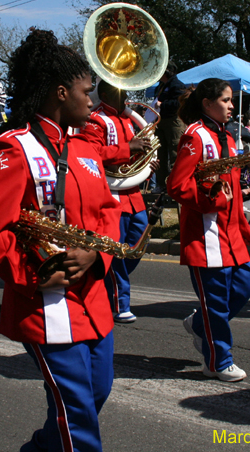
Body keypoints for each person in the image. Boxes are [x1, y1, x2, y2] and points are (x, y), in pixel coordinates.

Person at [0, 29, 121, 452]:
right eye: (86, 91)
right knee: (77, 419)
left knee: (95, 396)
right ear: (60, 92)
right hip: (48, 305)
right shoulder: (13, 149)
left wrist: (95, 252)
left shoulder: (86, 149)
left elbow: (109, 214)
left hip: (93, 300)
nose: (92, 100)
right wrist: (34, 272)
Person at [167, 78, 250, 382]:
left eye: (232, 101)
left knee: (245, 288)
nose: (232, 106)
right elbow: (177, 185)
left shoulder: (228, 138)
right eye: (226, 100)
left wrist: (243, 224)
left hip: (231, 234)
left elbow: (234, 188)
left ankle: (199, 324)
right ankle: (218, 361)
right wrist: (212, 201)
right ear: (207, 104)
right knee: (216, 304)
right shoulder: (195, 136)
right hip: (206, 236)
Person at [82, 80, 154, 323]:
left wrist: (146, 163)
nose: (126, 95)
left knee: (135, 247)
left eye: (126, 90)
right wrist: (129, 146)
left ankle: (104, 281)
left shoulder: (127, 120)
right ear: (104, 94)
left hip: (133, 195)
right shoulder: (95, 120)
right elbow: (90, 155)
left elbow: (133, 159)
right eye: (119, 91)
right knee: (116, 251)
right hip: (111, 194)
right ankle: (119, 303)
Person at [153, 61, 187, 192]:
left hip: (173, 121)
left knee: (175, 152)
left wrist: (163, 104)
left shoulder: (177, 85)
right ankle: (161, 184)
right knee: (159, 152)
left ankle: (176, 184)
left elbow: (179, 103)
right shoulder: (161, 86)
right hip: (161, 121)